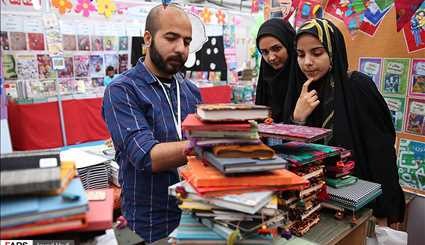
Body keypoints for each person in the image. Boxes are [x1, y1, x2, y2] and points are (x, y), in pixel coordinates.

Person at [288, 18, 405, 226]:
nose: (307, 62)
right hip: (317, 205)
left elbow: (382, 153)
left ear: (334, 51)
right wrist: (298, 119)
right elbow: (298, 156)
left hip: (362, 204)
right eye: (300, 54)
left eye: (317, 53)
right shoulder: (304, 93)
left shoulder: (357, 87)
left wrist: (386, 210)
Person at [102, 4, 201, 243]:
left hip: (197, 212)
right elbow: (146, 155)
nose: (180, 49)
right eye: (171, 38)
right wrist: (210, 142)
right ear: (148, 38)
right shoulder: (122, 90)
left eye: (187, 42)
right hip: (149, 222)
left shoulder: (191, 92)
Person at [255, 18, 296, 123]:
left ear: (290, 44)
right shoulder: (265, 81)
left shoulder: (304, 79)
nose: (271, 57)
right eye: (265, 52)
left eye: (276, 49)